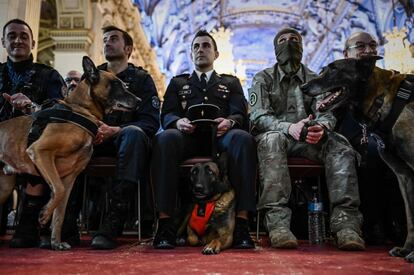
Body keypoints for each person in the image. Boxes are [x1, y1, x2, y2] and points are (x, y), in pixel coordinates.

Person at [249, 28, 365, 250]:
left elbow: (326, 111)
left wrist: (321, 127)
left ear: (302, 47)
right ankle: (278, 225)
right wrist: (289, 127)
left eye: (294, 40)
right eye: (282, 40)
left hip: (309, 139)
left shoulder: (315, 79)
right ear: (276, 49)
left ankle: (346, 226)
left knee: (340, 146)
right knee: (272, 139)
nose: (289, 43)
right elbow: (258, 116)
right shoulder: (262, 78)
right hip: (277, 137)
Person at [151, 30, 257, 249]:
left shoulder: (230, 83)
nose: (201, 49)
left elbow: (240, 114)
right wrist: (177, 123)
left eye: (206, 46)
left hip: (221, 138)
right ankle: (165, 225)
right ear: (191, 54)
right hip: (187, 138)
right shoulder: (178, 83)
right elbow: (167, 114)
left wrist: (229, 122)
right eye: (196, 46)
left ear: (216, 53)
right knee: (165, 139)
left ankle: (242, 224)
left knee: (243, 139)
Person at [90, 25, 159, 249]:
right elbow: (76, 107)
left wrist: (115, 130)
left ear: (128, 48)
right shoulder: (93, 76)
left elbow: (150, 122)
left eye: (114, 39)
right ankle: (65, 221)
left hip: (127, 141)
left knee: (133, 134)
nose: (107, 42)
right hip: (93, 138)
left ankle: (114, 219)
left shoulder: (141, 79)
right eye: (105, 39)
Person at [0, 18, 64, 248]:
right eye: (12, 36)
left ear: (33, 42)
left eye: (23, 36)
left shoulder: (49, 75)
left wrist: (32, 106)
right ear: (3, 41)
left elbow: (60, 111)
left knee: (39, 148)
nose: (18, 40)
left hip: (32, 143)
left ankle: (28, 222)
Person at [341, 31, 404, 244]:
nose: (368, 50)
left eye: (373, 45)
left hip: (387, 134)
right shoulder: (340, 78)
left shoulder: (388, 78)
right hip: (350, 134)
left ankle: (400, 225)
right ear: (346, 53)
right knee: (372, 154)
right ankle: (374, 224)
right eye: (360, 46)